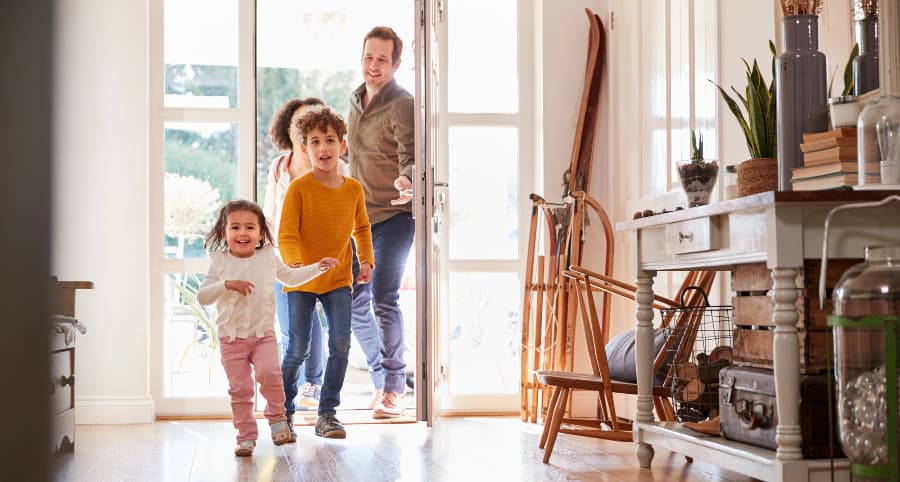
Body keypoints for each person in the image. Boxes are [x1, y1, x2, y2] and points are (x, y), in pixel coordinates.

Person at [197, 199, 338, 456]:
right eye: (235, 227)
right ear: (224, 232)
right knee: (240, 389)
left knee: (271, 375)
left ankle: (277, 420)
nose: (243, 233)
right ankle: (245, 437)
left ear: (261, 232)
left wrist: (319, 267)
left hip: (263, 335)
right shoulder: (219, 263)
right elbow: (203, 296)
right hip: (232, 339)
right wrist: (225, 285)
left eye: (250, 227)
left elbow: (292, 278)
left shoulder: (268, 258)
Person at [279, 108, 375, 439]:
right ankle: (284, 412)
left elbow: (362, 228)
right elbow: (287, 236)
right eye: (315, 141)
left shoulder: (353, 190)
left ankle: (327, 414)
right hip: (302, 279)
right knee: (298, 348)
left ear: (342, 146)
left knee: (341, 344)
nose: (323, 148)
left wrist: (366, 261)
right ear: (304, 148)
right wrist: (294, 265)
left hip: (338, 280)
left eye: (330, 140)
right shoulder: (298, 189)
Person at [347, 26, 416, 419]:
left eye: (382, 59)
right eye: (369, 57)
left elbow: (409, 154)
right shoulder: (355, 100)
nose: (374, 66)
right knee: (352, 301)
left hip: (393, 216)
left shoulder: (402, 104)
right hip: (357, 218)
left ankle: (394, 389)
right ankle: (381, 379)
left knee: (383, 298)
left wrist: (406, 179)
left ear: (396, 63)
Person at [264, 97, 329, 410]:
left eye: (311, 125)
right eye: (298, 124)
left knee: (310, 321)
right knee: (291, 327)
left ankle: (311, 384)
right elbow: (270, 212)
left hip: (316, 259)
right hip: (281, 257)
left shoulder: (327, 166)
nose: (304, 132)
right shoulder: (279, 166)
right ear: (288, 129)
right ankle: (292, 388)